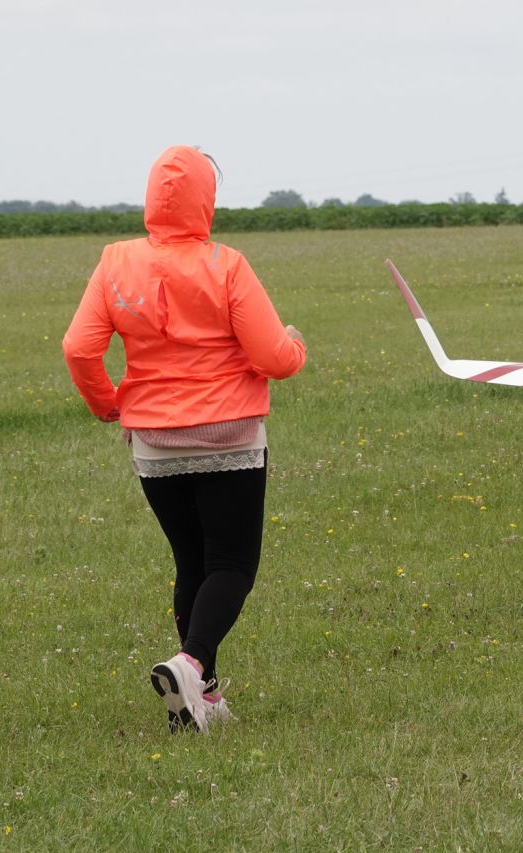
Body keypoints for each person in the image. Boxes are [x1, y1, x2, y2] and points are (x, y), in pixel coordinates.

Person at [62, 145, 307, 733]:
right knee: (232, 565)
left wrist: (108, 404)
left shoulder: (115, 261)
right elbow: (273, 357)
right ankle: (191, 663)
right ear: (207, 200)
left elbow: (78, 348)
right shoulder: (227, 265)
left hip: (154, 445)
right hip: (230, 439)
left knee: (191, 563)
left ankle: (204, 699)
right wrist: (296, 346)